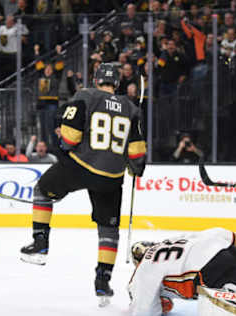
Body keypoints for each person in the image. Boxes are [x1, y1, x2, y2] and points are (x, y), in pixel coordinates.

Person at [19, 63, 146, 307]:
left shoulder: (86, 96)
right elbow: (137, 153)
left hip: (81, 166)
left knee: (42, 191)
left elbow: (70, 136)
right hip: (111, 176)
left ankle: (40, 243)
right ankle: (103, 280)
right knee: (108, 228)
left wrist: (65, 144)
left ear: (97, 79)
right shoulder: (131, 108)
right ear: (117, 83)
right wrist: (136, 168)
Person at [128, 228, 236, 316]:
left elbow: (144, 310)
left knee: (226, 309)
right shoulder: (174, 240)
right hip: (231, 253)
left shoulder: (143, 270)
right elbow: (226, 234)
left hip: (208, 269)